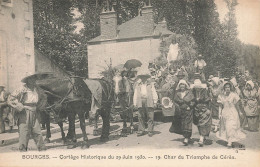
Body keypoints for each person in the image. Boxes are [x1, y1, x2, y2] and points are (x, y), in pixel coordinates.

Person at [8, 74, 47, 151]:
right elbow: (11, 98)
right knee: (24, 132)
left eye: (34, 79)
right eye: (31, 79)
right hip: (24, 112)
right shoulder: (22, 89)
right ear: (27, 80)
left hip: (35, 111)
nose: (33, 80)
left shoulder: (37, 89)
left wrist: (41, 106)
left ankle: (42, 150)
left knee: (37, 131)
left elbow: (44, 97)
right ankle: (23, 151)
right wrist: (18, 105)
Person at [217, 81, 246, 148]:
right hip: (225, 113)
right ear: (224, 88)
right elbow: (220, 106)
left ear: (230, 87)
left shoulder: (234, 95)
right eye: (226, 87)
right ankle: (229, 140)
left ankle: (229, 142)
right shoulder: (221, 96)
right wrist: (219, 113)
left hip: (233, 113)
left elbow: (237, 105)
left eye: (229, 87)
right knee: (227, 127)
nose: (227, 88)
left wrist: (240, 112)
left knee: (231, 127)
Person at [171, 79, 194, 145]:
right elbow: (175, 102)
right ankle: (186, 136)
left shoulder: (189, 92)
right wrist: (178, 108)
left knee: (188, 124)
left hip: (188, 110)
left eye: (183, 85)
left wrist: (190, 106)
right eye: (181, 85)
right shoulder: (177, 94)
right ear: (179, 86)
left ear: (185, 85)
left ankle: (186, 138)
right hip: (180, 111)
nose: (182, 86)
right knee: (183, 124)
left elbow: (193, 101)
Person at [191, 79, 212, 147]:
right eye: (196, 88)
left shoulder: (205, 91)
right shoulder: (193, 91)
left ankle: (201, 138)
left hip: (204, 109)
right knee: (199, 124)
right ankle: (203, 136)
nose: (197, 89)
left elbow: (208, 100)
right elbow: (192, 100)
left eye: (198, 87)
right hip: (196, 110)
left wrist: (208, 109)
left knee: (203, 123)